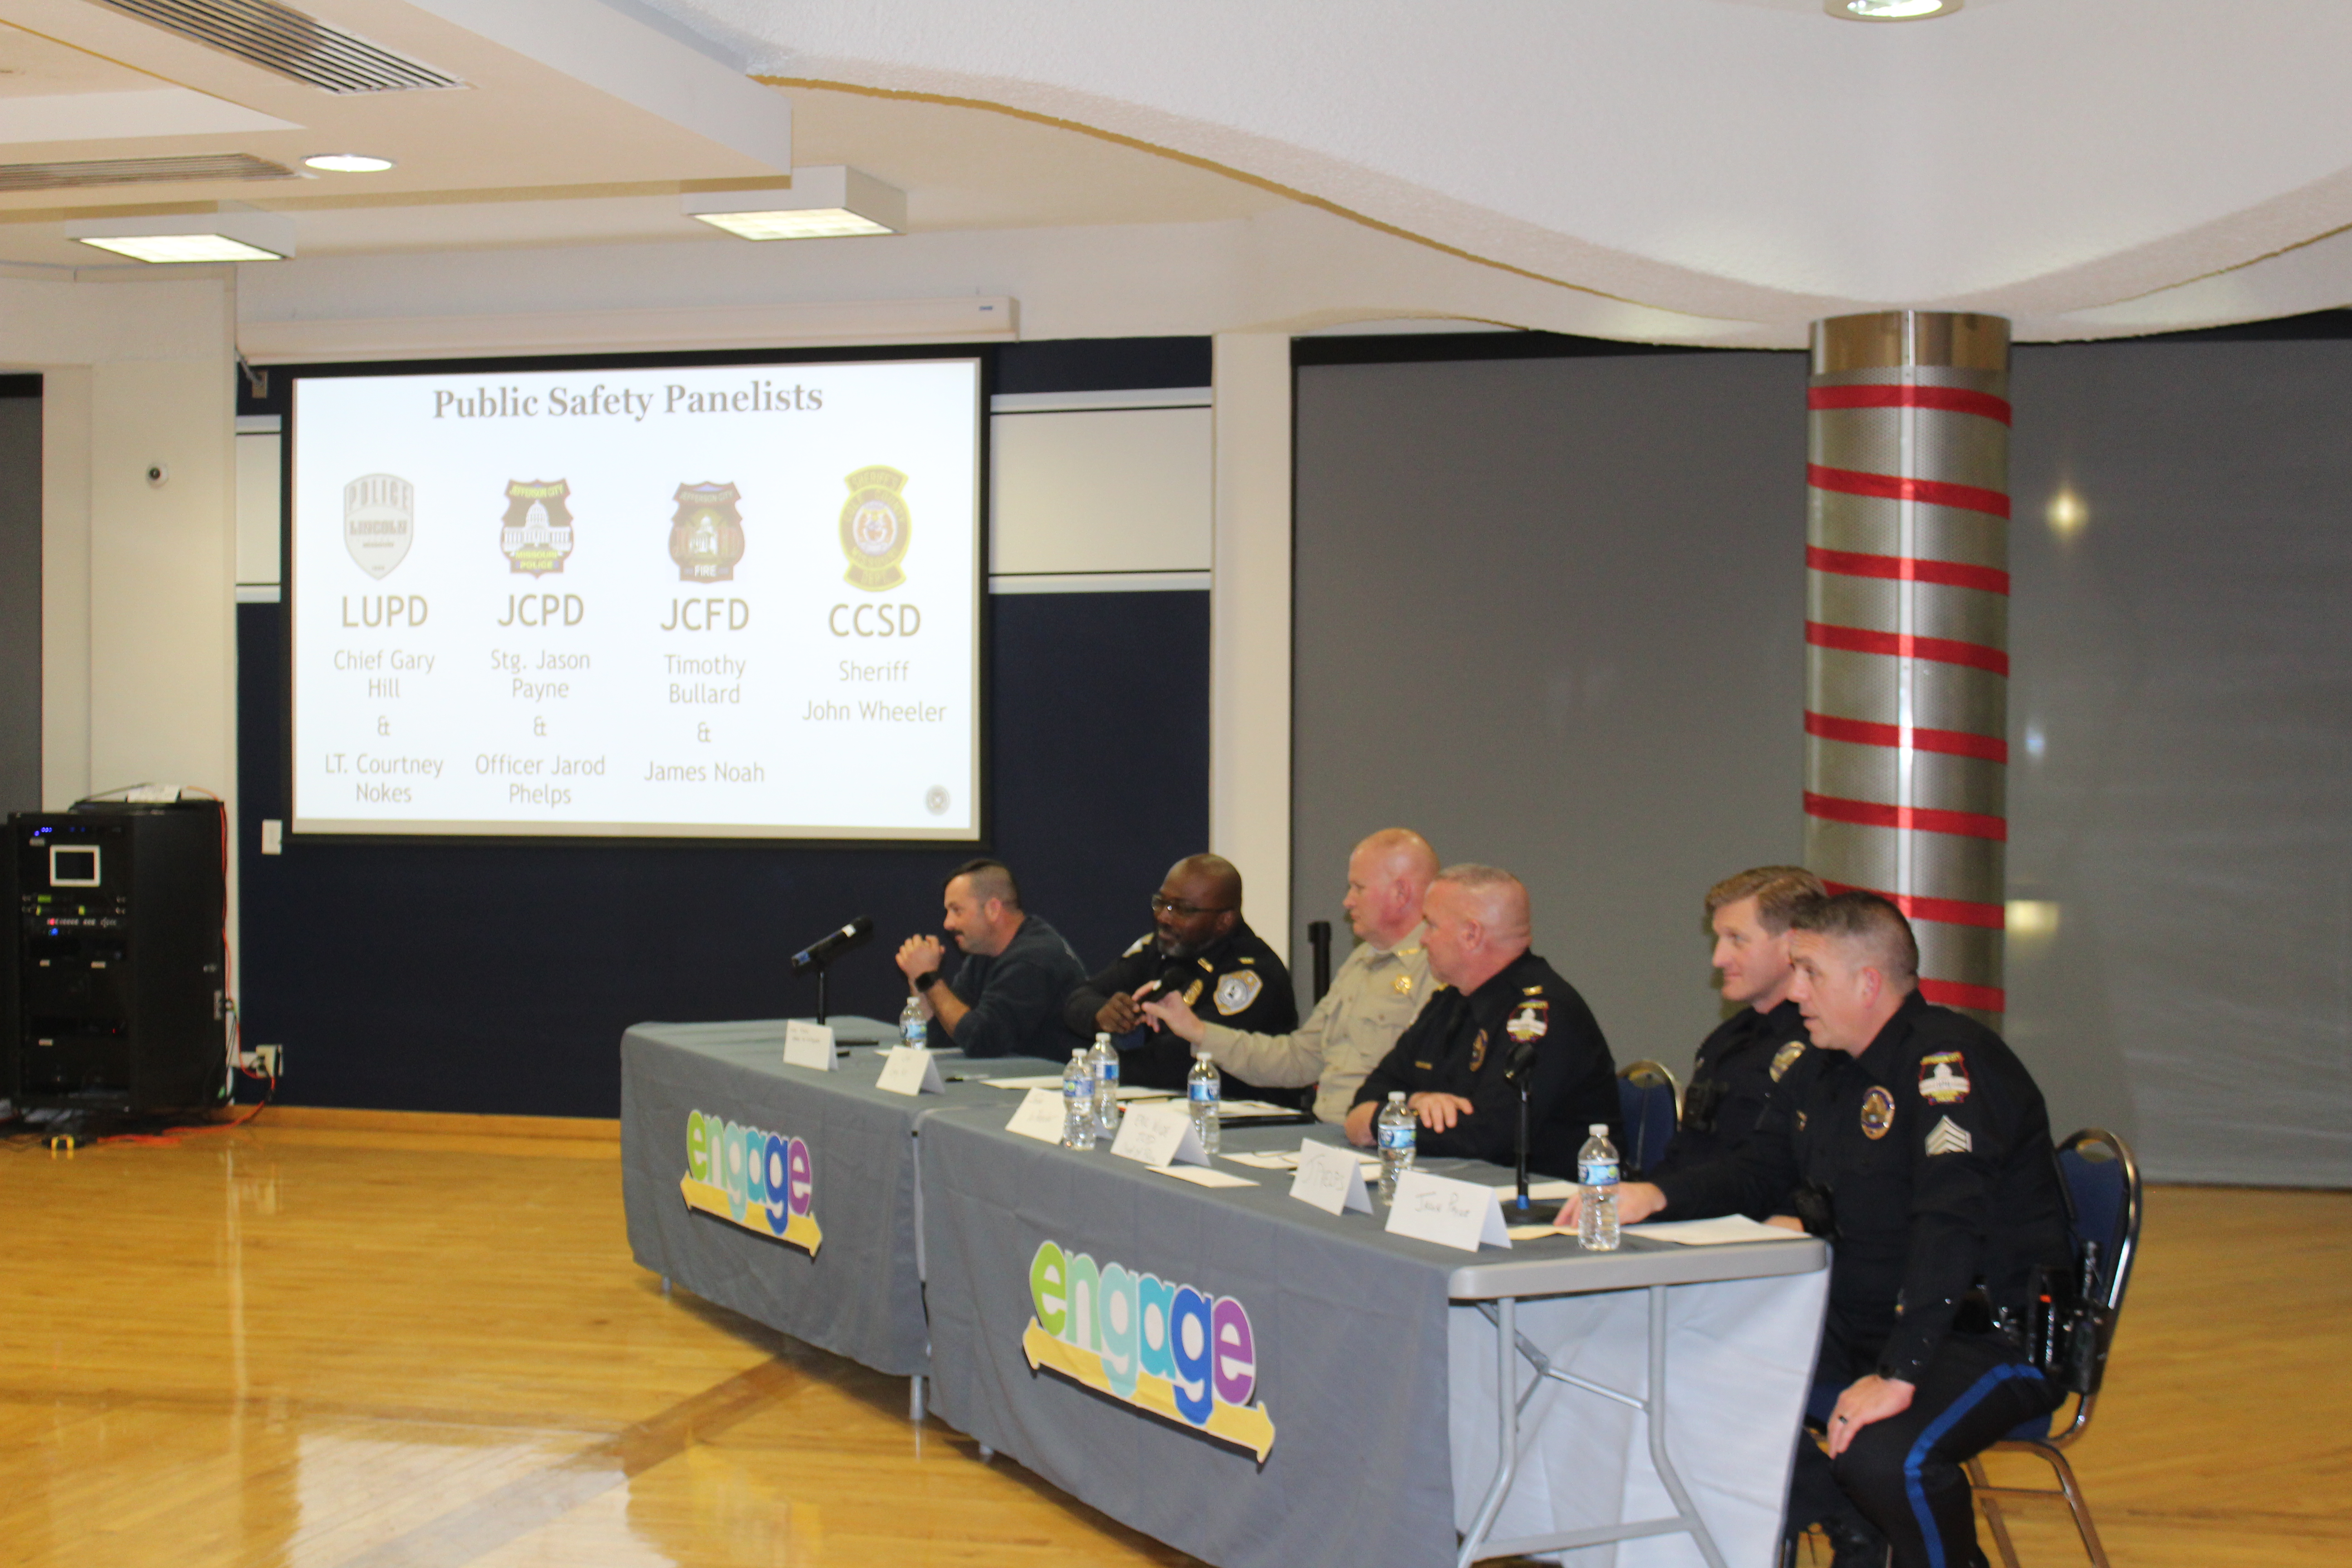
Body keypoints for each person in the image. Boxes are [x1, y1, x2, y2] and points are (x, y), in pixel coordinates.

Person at [1559, 892, 2072, 1568]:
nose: (1796, 991)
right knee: (1685, 1375)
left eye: (1810, 973)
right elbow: (1757, 1170)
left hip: (1983, 1333)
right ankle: (1852, 1526)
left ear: (1868, 982)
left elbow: (1951, 1226)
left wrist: (1900, 1370)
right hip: (1861, 1316)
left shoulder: (1948, 1067)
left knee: (1888, 1457)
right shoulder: (1823, 1066)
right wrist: (1653, 1195)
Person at [1141, 828, 1438, 1122]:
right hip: (1328, 1133)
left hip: (1384, 1140)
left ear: (1400, 894)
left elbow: (1436, 1082)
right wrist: (1196, 1030)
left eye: (1359, 888)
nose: (1348, 902)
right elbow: (1300, 1058)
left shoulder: (1437, 968)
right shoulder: (1362, 961)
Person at [1346, 864, 1617, 1175]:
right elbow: (1373, 1091)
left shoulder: (1542, 1016)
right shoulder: (1451, 1001)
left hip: (1549, 1206)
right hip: (1461, 1186)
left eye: (1431, 926)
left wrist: (1378, 1121)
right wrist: (1417, 1102)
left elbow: (1489, 1135)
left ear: (1471, 935)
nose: (1423, 940)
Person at [1641, 866, 1823, 1191]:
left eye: (1737, 940)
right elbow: (1687, 1154)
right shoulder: (1727, 1041)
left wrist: (1662, 1198)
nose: (1718, 959)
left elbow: (1776, 1177)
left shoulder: (1823, 1043)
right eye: (1719, 939)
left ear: (1793, 944)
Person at [1059, 853, 1297, 1091]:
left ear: (1224, 921)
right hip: (1166, 1104)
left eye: (1182, 910)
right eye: (1161, 903)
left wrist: (1099, 1068)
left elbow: (1181, 1058)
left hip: (1242, 1112)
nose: (1163, 917)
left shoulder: (1251, 975)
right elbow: (1079, 997)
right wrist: (1101, 1014)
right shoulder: (1161, 948)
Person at [895, 858, 1088, 1060]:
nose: (948, 924)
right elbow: (944, 1036)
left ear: (993, 909)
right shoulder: (984, 955)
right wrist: (919, 980)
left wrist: (929, 978)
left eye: (957, 910)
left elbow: (982, 1042)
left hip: (1056, 1084)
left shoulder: (1035, 959)